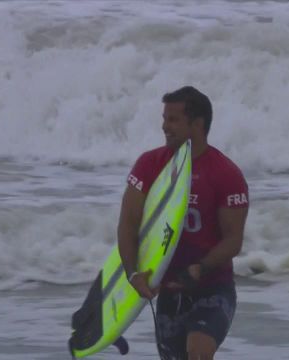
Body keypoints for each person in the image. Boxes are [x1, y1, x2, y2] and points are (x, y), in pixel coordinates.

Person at [117, 86, 249, 360]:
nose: (164, 126)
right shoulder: (149, 165)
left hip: (213, 287)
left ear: (197, 124)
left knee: (198, 353)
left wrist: (201, 268)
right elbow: (128, 225)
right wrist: (133, 273)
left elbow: (233, 240)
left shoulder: (225, 173)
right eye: (164, 118)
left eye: (173, 119)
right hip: (168, 291)